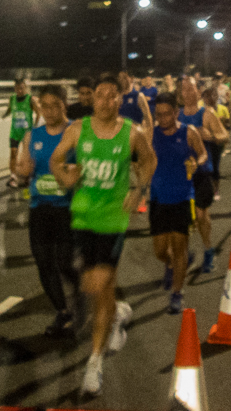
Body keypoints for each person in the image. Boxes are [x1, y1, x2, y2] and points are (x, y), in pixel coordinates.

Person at [49, 73, 157, 396]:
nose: (107, 100)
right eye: (101, 94)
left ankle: (94, 363)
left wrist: (139, 191)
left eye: (113, 95)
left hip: (113, 222)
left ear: (120, 100)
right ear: (92, 98)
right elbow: (56, 159)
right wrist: (64, 177)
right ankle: (118, 313)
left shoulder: (132, 133)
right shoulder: (77, 130)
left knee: (96, 282)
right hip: (82, 218)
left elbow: (149, 162)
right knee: (101, 287)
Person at [14, 84, 82, 336]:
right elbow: (22, 168)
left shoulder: (76, 130)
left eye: (55, 105)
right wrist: (23, 170)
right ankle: (62, 312)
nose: (50, 110)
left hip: (68, 208)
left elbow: (86, 163)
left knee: (64, 262)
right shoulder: (33, 135)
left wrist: (73, 172)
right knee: (43, 262)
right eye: (45, 105)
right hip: (39, 207)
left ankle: (80, 289)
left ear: (65, 104)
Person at [150, 91, 207, 313]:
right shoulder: (152, 134)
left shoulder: (188, 132)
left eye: (167, 114)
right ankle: (171, 263)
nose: (162, 119)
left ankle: (177, 293)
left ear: (176, 112)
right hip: (158, 199)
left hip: (183, 198)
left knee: (179, 247)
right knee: (160, 251)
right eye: (159, 115)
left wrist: (196, 161)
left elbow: (203, 154)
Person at [182, 82, 230, 272]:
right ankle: (186, 253)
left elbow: (224, 136)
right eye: (184, 89)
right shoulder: (176, 114)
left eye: (191, 89)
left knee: (201, 215)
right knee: (184, 218)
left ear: (198, 92)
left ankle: (208, 249)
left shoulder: (207, 114)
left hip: (202, 171)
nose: (187, 93)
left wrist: (210, 136)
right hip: (181, 173)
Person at [3, 79, 39, 188]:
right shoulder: (12, 99)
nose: (19, 90)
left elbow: (39, 113)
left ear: (25, 88)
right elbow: (10, 109)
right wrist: (4, 115)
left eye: (22, 88)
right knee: (13, 153)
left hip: (26, 132)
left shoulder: (30, 100)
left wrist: (35, 127)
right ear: (15, 89)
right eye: (17, 88)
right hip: (15, 131)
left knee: (26, 156)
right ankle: (13, 177)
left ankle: (27, 177)